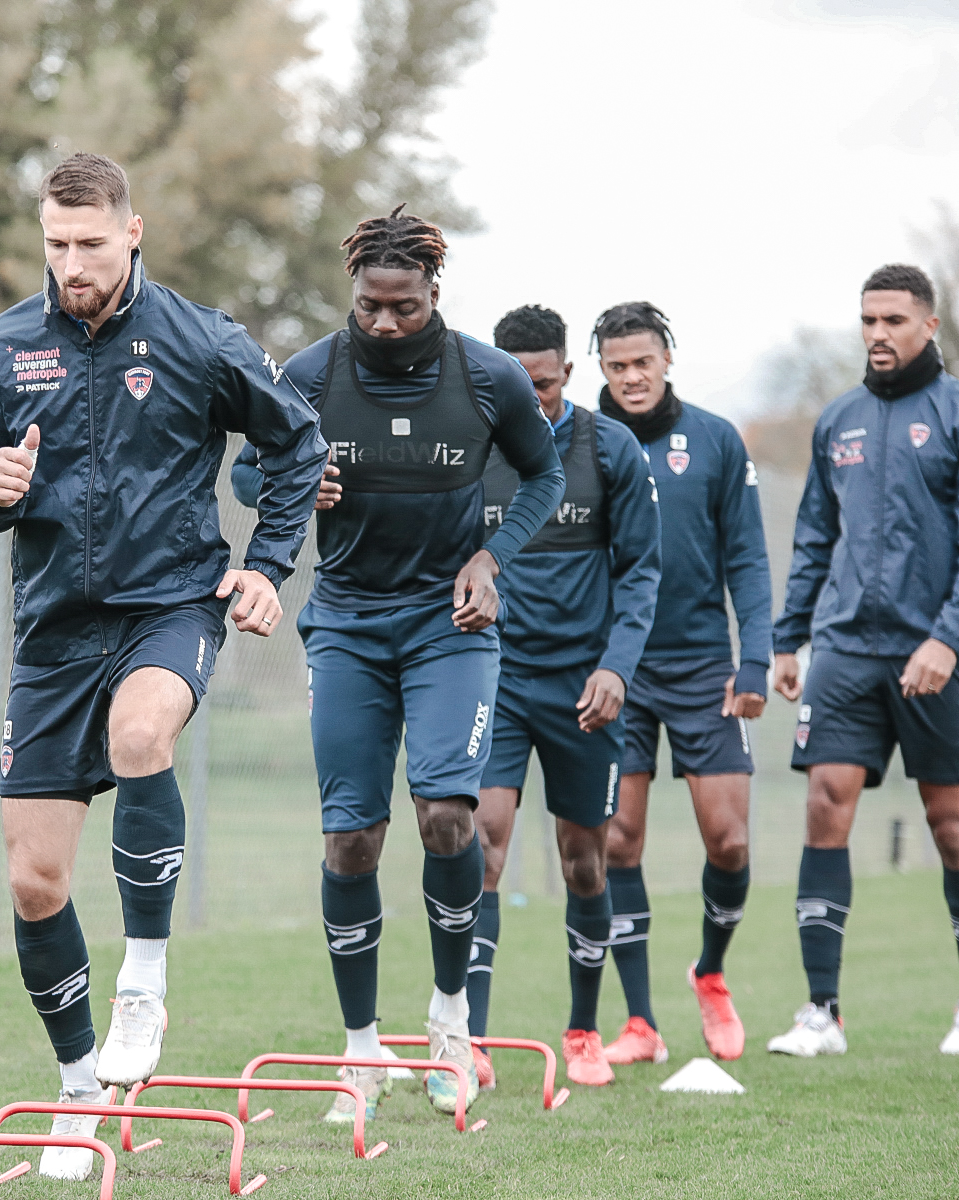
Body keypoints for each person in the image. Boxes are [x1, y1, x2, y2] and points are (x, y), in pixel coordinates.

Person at [0, 152, 326, 1181]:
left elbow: (297, 447)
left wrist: (264, 567)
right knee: (33, 880)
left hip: (172, 603)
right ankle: (78, 1096)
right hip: (52, 632)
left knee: (141, 733)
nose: (70, 262)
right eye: (55, 243)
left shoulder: (200, 338)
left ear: (132, 231)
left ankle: (146, 978)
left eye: (87, 242)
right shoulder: (5, 345)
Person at [232, 208, 564, 1123]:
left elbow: (545, 479)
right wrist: (299, 485)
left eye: (402, 307)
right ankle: (361, 1052)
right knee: (351, 838)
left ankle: (451, 1025)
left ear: (433, 296)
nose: (382, 323)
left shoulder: (487, 377)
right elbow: (247, 476)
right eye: (369, 306)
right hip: (344, 622)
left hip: (448, 624)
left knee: (450, 819)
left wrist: (492, 558)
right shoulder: (310, 374)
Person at [767, 263, 959, 1058]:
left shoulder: (952, 413)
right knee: (824, 806)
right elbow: (815, 533)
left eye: (893, 320)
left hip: (935, 652)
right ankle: (822, 1013)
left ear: (929, 327)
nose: (878, 334)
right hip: (845, 648)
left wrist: (947, 637)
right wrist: (787, 638)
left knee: (950, 827)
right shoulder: (838, 418)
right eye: (868, 321)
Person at [469, 306, 661, 1088]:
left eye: (543, 384)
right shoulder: (473, 449)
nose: (531, 398)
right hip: (497, 678)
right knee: (479, 842)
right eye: (517, 384)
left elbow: (643, 571)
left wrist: (616, 667)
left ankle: (583, 1030)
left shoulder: (608, 448)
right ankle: (467, 1043)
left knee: (586, 860)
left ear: (567, 377)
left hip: (585, 688)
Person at [589, 302, 772, 1066]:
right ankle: (640, 1023)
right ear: (599, 367)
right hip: (613, 668)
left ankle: (712, 972)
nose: (632, 377)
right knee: (618, 841)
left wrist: (755, 656)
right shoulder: (577, 444)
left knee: (728, 840)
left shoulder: (716, 439)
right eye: (617, 365)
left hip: (703, 665)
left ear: (668, 357)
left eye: (644, 362)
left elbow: (749, 560)